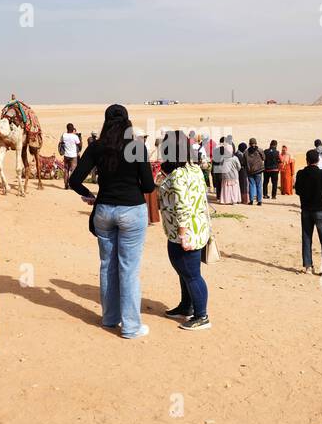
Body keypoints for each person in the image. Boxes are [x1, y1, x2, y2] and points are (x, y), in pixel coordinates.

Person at [69, 104, 154, 339]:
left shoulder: (97, 147)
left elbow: (75, 179)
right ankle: (130, 327)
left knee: (107, 265)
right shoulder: (136, 146)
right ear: (128, 122)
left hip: (104, 210)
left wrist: (89, 195)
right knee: (129, 269)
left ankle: (109, 318)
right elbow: (148, 186)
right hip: (131, 210)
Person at [157, 130, 212, 331]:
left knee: (191, 274)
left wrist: (183, 235)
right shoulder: (194, 169)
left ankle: (201, 315)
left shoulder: (178, 175)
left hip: (185, 232)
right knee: (185, 272)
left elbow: (181, 205)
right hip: (197, 228)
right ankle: (186, 306)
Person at [295, 148, 322, 274]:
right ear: (318, 160)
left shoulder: (300, 174)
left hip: (306, 210)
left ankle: (308, 266)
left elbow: (297, 191)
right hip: (321, 210)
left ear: (307, 161)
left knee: (307, 238)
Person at [217, 139, 241, 204]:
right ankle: (234, 200)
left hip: (225, 176)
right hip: (234, 176)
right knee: (234, 189)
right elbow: (239, 167)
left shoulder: (223, 158)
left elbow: (220, 167)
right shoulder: (235, 158)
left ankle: (225, 200)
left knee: (226, 189)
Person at [59, 122, 82, 190]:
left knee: (66, 169)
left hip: (66, 155)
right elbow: (79, 145)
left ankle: (66, 184)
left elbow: (61, 142)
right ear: (72, 129)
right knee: (73, 170)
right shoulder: (75, 136)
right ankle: (72, 185)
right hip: (73, 156)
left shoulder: (64, 135)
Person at [245, 138, 266, 206]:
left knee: (251, 185)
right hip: (259, 170)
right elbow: (264, 158)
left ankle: (251, 201)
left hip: (250, 171)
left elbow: (244, 162)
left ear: (249, 144)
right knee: (259, 185)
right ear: (256, 143)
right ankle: (259, 201)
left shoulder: (246, 152)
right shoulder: (259, 150)